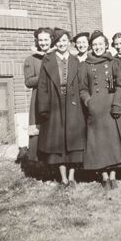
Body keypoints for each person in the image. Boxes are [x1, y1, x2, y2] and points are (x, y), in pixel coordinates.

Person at [78, 30, 121, 190]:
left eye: (100, 44)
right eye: (94, 44)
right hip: (95, 111)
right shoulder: (85, 65)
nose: (97, 47)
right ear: (91, 46)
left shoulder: (114, 62)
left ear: (105, 45)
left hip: (112, 108)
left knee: (113, 143)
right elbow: (82, 88)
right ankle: (104, 176)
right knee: (100, 145)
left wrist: (117, 104)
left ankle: (113, 176)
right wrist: (88, 102)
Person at [37, 28, 86, 188]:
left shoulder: (75, 60)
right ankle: (63, 177)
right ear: (54, 43)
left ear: (69, 42)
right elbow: (43, 86)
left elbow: (81, 84)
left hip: (74, 105)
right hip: (55, 105)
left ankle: (72, 177)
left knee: (73, 142)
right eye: (58, 41)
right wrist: (44, 109)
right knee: (59, 143)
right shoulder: (48, 60)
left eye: (64, 40)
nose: (62, 44)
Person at [23, 27, 54, 162]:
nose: (43, 43)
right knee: (39, 133)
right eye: (40, 40)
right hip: (38, 100)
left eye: (46, 39)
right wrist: (44, 74)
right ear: (37, 41)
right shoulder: (31, 59)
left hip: (56, 100)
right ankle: (40, 168)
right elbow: (29, 82)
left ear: (51, 40)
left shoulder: (57, 56)